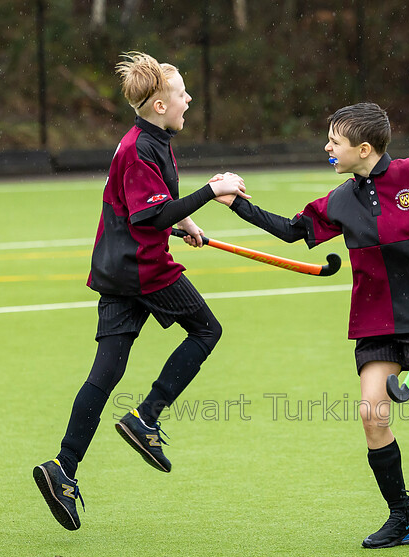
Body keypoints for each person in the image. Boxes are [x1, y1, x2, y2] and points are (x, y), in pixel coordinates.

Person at [217, 102, 409, 548]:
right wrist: (237, 205)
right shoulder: (341, 200)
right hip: (373, 320)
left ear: (363, 148)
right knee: (372, 414)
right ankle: (404, 518)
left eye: (335, 142)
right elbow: (294, 231)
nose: (327, 147)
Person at [33, 52, 248, 531]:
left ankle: (62, 469)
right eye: (180, 93)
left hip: (115, 268)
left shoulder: (153, 139)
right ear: (157, 105)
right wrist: (212, 191)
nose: (187, 98)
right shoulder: (140, 148)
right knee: (206, 330)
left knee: (106, 370)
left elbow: (155, 203)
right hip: (141, 269)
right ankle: (145, 417)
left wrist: (185, 222)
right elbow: (147, 216)